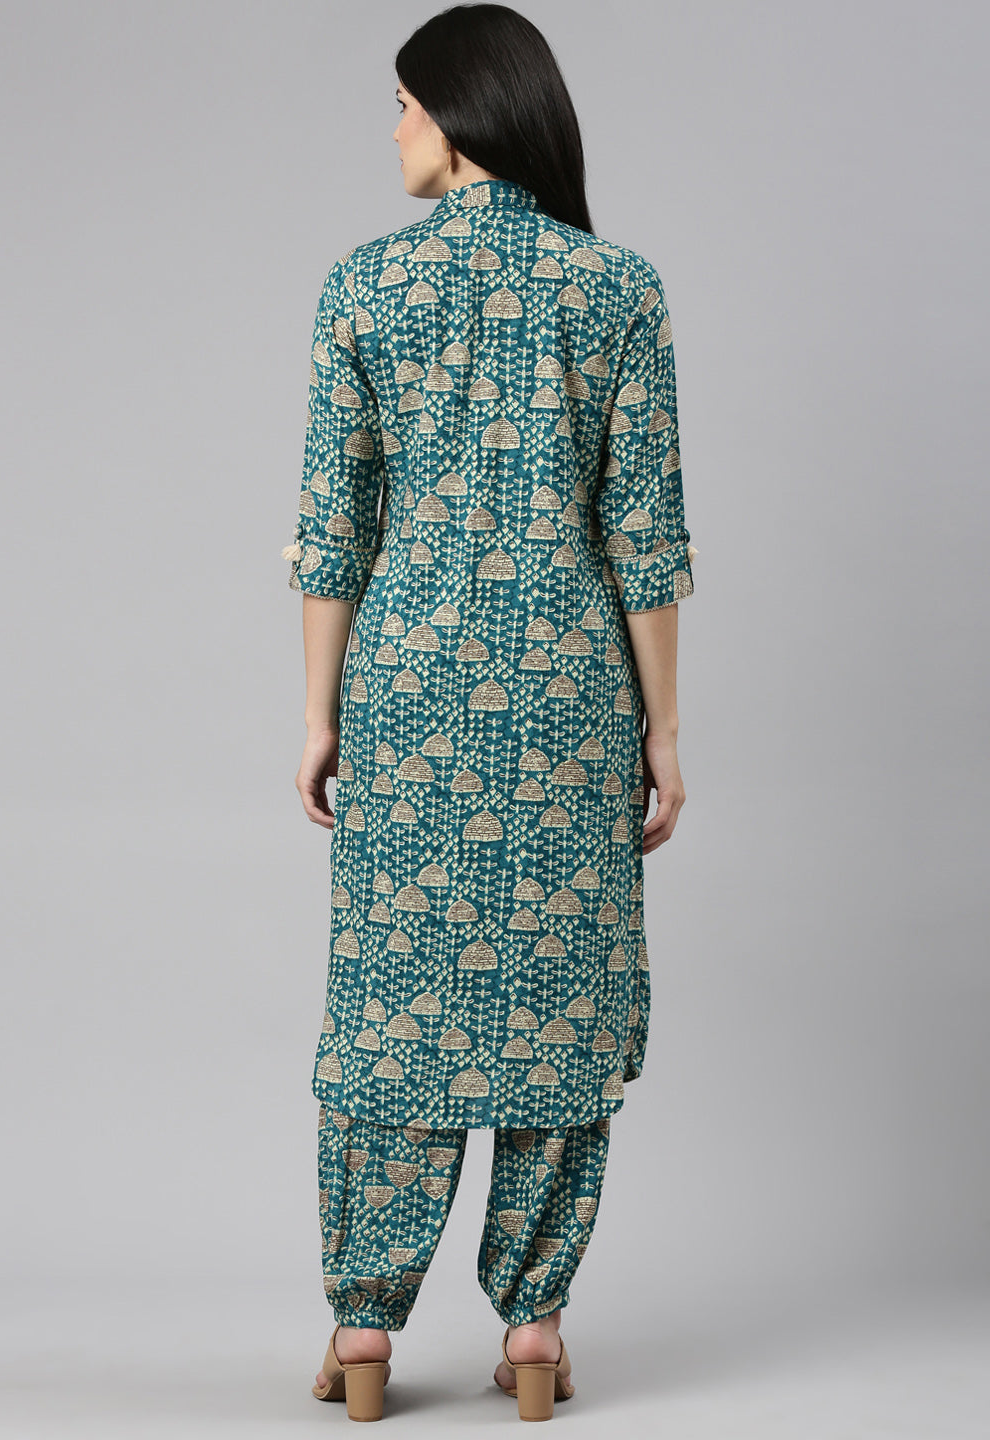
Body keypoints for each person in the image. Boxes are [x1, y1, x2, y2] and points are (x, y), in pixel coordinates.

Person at [284, 4, 697, 1421]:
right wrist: (662, 734)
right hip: (569, 695)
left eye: (403, 103)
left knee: (394, 999)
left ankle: (365, 1329)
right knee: (557, 1000)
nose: (393, 129)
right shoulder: (620, 289)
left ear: (462, 113)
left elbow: (332, 532)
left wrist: (321, 715)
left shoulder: (362, 287)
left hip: (408, 691)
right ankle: (533, 1326)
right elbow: (646, 540)